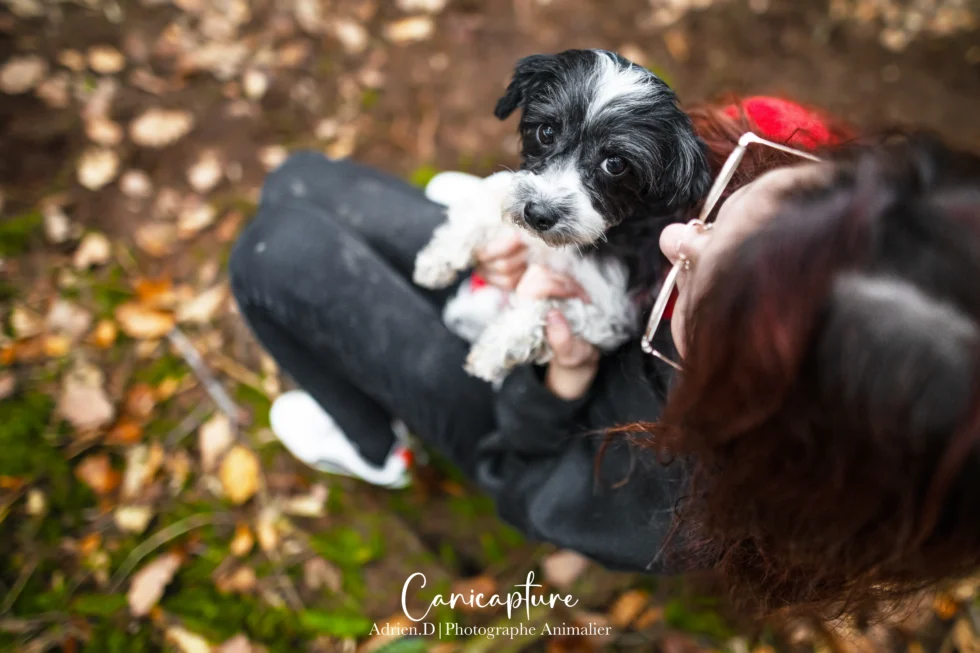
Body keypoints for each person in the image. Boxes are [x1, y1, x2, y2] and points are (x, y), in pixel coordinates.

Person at [229, 98, 980, 613]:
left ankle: (374, 448)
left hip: (522, 417)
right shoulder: (811, 185)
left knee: (276, 253)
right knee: (297, 180)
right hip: (542, 295)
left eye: (694, 288)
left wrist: (562, 381)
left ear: (749, 421)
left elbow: (523, 481)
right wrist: (549, 235)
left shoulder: (660, 498)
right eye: (725, 209)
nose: (675, 239)